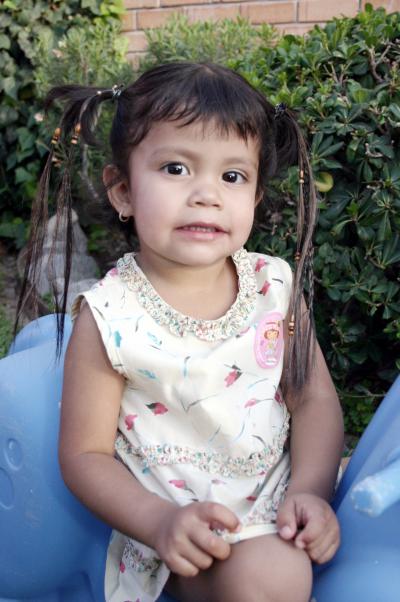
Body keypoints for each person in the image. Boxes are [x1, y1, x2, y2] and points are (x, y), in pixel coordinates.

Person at [18, 62, 343, 602]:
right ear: (122, 190)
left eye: (232, 176)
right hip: (182, 536)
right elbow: (85, 455)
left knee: (282, 565)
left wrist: (311, 492)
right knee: (267, 578)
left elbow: (312, 398)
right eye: (175, 168)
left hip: (279, 505)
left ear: (255, 197)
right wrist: (159, 522)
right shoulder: (110, 315)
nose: (206, 194)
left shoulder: (274, 287)